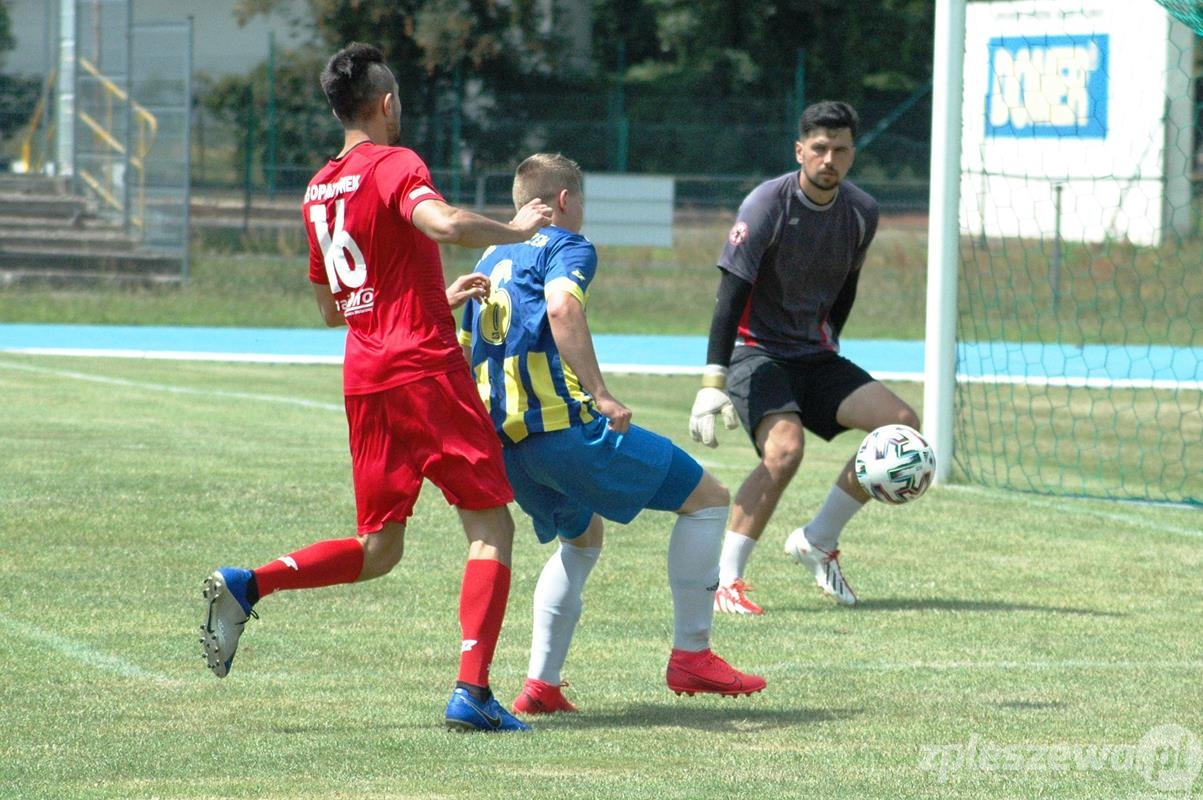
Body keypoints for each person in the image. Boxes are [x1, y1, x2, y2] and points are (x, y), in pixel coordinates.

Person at [197, 42, 554, 734]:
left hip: (367, 374)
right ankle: (472, 692)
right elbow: (443, 223)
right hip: (422, 368)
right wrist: (513, 229)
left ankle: (249, 583)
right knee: (489, 527)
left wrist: (430, 298)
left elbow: (336, 306)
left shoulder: (318, 187)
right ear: (386, 104)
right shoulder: (396, 163)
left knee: (379, 548)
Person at [457, 153, 765, 715]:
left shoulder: (492, 253)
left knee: (582, 539)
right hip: (567, 433)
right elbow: (560, 308)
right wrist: (601, 394)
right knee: (708, 501)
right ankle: (693, 655)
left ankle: (541, 685)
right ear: (566, 201)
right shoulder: (565, 243)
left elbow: (464, 345)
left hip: (509, 449)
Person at [689, 100, 921, 614]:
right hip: (756, 352)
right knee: (785, 452)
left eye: (840, 149)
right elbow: (729, 297)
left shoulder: (862, 211)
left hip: (813, 355)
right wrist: (713, 381)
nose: (828, 159)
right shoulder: (766, 204)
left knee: (902, 426)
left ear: (852, 154)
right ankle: (725, 578)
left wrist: (829, 342)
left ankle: (817, 540)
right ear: (800, 150)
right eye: (819, 148)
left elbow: (846, 288)